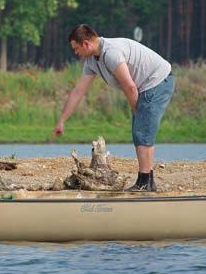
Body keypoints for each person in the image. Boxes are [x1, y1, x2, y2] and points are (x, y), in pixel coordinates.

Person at [53, 24, 175, 192]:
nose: (76, 53)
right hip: (143, 86)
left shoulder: (111, 53)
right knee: (140, 131)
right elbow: (78, 92)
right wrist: (61, 121)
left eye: (76, 48)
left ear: (86, 44)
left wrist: (136, 111)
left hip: (157, 81)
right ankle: (147, 182)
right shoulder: (91, 61)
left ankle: (145, 182)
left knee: (142, 131)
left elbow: (130, 87)